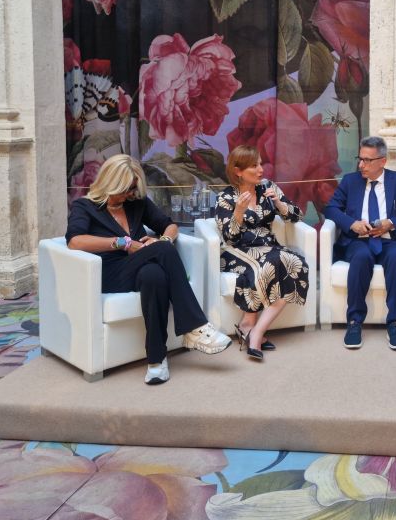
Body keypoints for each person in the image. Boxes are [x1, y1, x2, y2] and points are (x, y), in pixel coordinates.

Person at [65, 154, 231, 385]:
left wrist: (163, 238)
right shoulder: (85, 207)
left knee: (155, 276)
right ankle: (195, 327)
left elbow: (170, 225)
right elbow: (75, 241)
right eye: (128, 188)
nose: (131, 193)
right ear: (112, 183)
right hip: (108, 273)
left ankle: (156, 361)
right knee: (162, 251)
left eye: (134, 188)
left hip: (138, 268)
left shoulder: (136, 203)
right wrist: (122, 242)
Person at [324, 135, 396, 351]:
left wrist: (391, 223)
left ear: (382, 161)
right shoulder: (350, 181)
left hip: (390, 240)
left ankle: (395, 323)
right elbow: (331, 209)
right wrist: (352, 224)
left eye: (367, 160)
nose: (361, 165)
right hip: (358, 241)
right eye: (360, 159)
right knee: (361, 257)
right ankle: (354, 322)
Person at [215, 145, 310, 361]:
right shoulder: (225, 197)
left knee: (296, 262)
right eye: (253, 166)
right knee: (271, 262)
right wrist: (238, 212)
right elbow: (229, 237)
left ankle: (254, 329)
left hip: (268, 247)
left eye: (260, 164)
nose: (260, 170)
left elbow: (297, 216)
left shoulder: (268, 187)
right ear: (238, 171)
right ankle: (250, 327)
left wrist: (278, 203)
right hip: (237, 251)